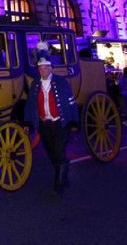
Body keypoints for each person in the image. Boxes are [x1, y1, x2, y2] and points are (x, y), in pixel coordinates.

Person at [24, 56, 78, 195]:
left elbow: (71, 102)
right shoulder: (35, 84)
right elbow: (30, 105)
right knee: (51, 153)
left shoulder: (61, 82)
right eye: (40, 68)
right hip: (44, 124)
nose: (43, 70)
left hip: (60, 123)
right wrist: (28, 122)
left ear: (51, 68)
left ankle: (58, 186)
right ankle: (63, 169)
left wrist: (74, 121)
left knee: (59, 151)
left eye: (46, 67)